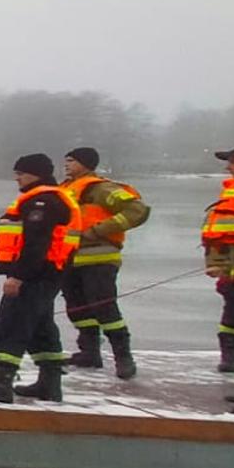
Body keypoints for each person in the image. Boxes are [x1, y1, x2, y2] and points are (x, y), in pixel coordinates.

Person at [0, 154, 81, 403]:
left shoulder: (42, 202)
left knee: (10, 326)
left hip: (34, 276)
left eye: (20, 173)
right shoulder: (55, 198)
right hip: (50, 275)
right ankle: (49, 384)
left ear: (36, 174)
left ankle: (0, 384)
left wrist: (18, 277)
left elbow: (36, 245)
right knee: (41, 328)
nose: (17, 178)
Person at [58, 147, 150, 378]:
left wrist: (98, 230)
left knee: (104, 307)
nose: (66, 165)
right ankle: (89, 353)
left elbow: (137, 210)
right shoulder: (65, 189)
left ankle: (123, 357)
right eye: (66, 161)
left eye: (71, 161)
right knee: (77, 307)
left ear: (86, 164)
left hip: (99, 257)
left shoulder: (101, 189)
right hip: (69, 258)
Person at [203, 147, 234, 373]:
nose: (227, 167)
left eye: (232, 162)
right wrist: (215, 263)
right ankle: (230, 358)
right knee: (231, 312)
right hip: (229, 269)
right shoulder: (229, 191)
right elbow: (219, 233)